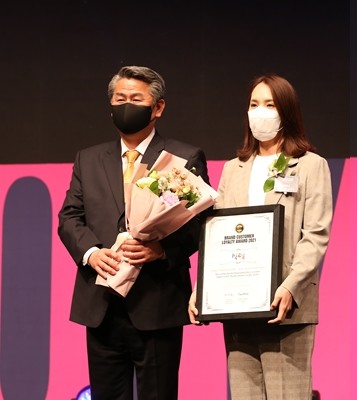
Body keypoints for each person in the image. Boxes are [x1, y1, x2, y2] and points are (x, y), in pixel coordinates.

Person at [58, 66, 209, 400]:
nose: (126, 105)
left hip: (157, 302)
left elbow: (200, 223)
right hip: (101, 304)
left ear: (158, 107)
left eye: (136, 99)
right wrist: (91, 253)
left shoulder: (183, 157)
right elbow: (69, 217)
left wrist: (162, 250)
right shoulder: (89, 159)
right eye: (119, 99)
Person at [188, 74, 332, 399]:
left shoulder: (310, 166)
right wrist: (203, 288)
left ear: (287, 112)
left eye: (270, 104)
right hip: (238, 307)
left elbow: (316, 234)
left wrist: (290, 286)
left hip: (286, 307)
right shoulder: (233, 168)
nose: (260, 112)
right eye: (254, 104)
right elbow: (219, 234)